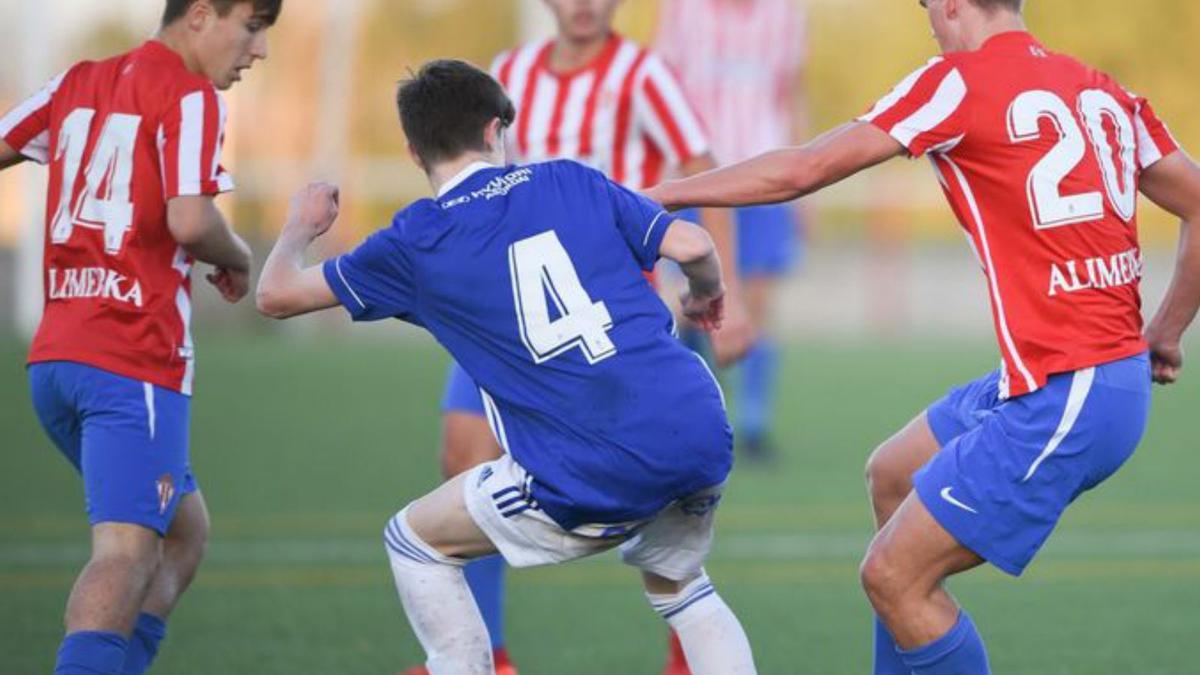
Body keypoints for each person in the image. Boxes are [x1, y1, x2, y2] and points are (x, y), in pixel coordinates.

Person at [646, 0, 1200, 672]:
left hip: (1070, 390)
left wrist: (664, 194)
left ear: (952, 4)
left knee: (892, 576)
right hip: (1072, 378)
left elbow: (802, 169)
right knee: (894, 474)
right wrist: (1166, 329)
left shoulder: (955, 80)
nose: (929, 23)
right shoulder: (1098, 88)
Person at [256, 59, 757, 675]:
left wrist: (299, 228)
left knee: (414, 542)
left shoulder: (414, 241)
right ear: (496, 131)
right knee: (682, 587)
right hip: (698, 426)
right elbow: (695, 245)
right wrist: (706, 296)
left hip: (589, 463)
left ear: (414, 153)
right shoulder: (571, 179)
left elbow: (275, 297)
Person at [430, 2, 754, 672]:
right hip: (515, 305)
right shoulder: (512, 72)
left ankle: (686, 649)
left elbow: (707, 171)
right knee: (463, 455)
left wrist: (733, 294)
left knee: (664, 478)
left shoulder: (643, 74)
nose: (584, 4)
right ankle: (487, 655)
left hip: (615, 312)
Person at [0, 1, 282, 673]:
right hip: (133, 361)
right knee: (125, 555)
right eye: (253, 25)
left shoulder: (77, 83)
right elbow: (190, 219)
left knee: (184, 534)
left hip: (58, 359)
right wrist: (238, 254)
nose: (260, 49)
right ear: (202, 15)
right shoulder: (189, 95)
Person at [655, 0, 810, 461]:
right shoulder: (683, 11)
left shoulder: (784, 14)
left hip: (764, 175)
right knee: (694, 300)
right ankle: (693, 410)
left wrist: (807, 188)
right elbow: (661, 89)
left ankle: (755, 424)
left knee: (757, 300)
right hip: (699, 175)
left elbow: (791, 93)